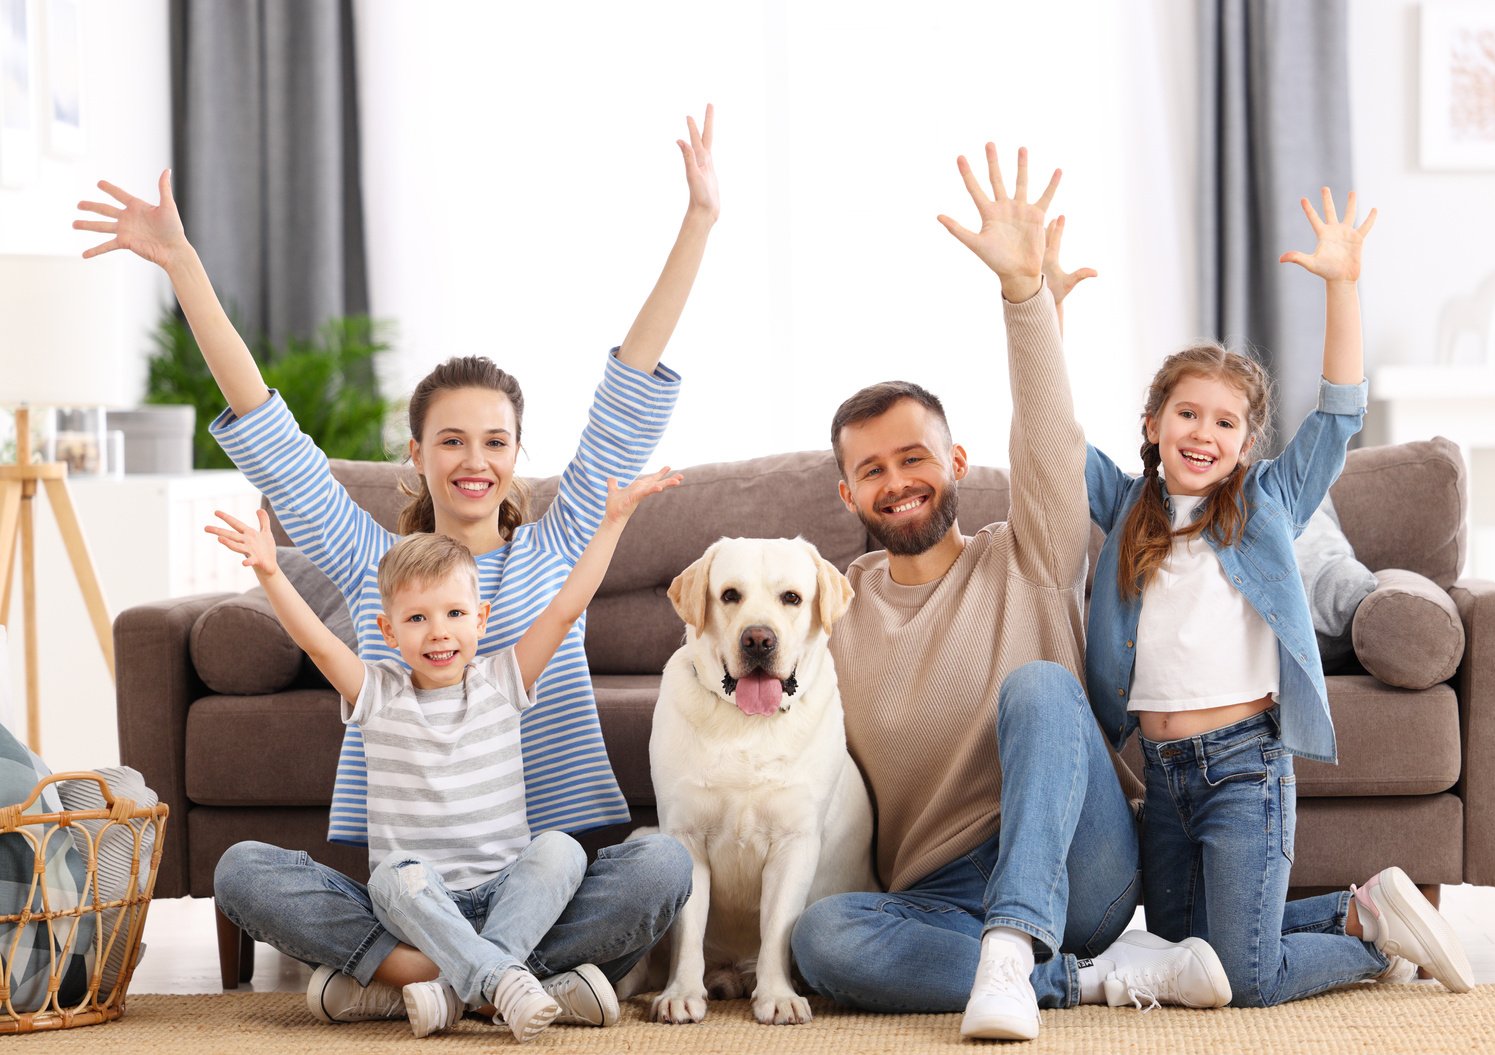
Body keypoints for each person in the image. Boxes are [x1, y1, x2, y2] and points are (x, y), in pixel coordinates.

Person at [75, 106, 719, 1025]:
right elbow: (268, 429)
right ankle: (511, 979)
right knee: (245, 873)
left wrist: (698, 220)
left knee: (659, 865)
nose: (473, 458)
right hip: (410, 883)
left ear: (517, 453)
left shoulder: (563, 535)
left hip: (537, 867)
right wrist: (183, 263)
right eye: (449, 439)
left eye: (494, 441)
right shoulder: (374, 560)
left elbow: (629, 386)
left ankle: (414, 981)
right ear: (413, 452)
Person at [790, 144, 1234, 1043]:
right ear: (847, 496)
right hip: (942, 891)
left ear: (956, 464)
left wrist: (1026, 300)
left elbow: (1047, 438)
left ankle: (1018, 953)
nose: (897, 481)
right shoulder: (830, 609)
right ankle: (1085, 980)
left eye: (914, 458)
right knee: (822, 939)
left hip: (1081, 862)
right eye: (871, 470)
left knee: (1035, 684)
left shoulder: (1027, 552)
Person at [1078, 188, 1475, 1007]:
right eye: (1186, 412)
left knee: (1246, 979)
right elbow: (1047, 438)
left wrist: (1341, 285)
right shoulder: (1125, 507)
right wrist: (1036, 307)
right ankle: (1358, 909)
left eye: (1225, 422)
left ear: (1246, 443)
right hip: (1160, 775)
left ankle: (1371, 941)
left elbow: (1337, 414)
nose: (1203, 432)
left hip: (1243, 770)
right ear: (1151, 423)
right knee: (1198, 954)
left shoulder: (1267, 503)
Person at [208, 461, 677, 1039]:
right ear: (387, 630)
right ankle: (505, 982)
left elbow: (564, 609)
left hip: (510, 898)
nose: (438, 632)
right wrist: (271, 571)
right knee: (251, 870)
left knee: (632, 858)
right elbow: (316, 640)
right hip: (411, 909)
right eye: (418, 618)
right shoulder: (375, 692)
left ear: (480, 620)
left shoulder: (503, 680)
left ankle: (434, 988)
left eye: (454, 614)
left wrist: (613, 523)